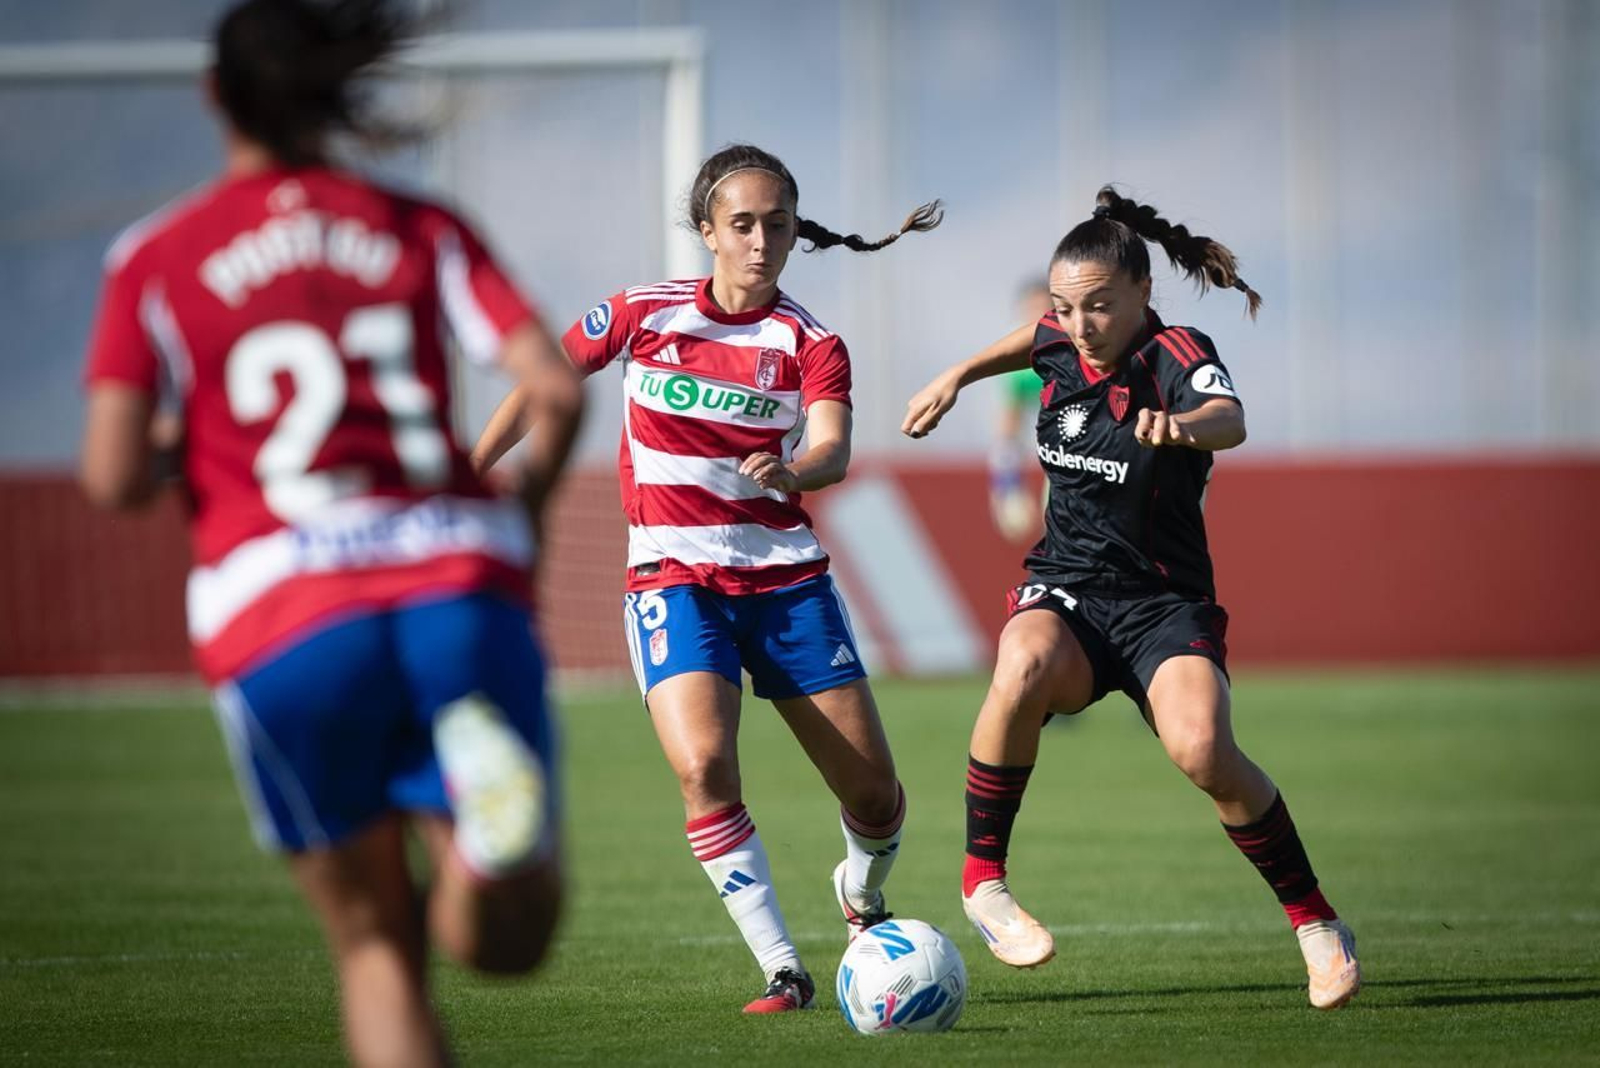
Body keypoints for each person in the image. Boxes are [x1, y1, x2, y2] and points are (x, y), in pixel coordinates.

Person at [78, 2, 584, 1064]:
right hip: (453, 578)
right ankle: (485, 850)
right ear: (336, 90)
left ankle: (481, 844)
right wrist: (523, 531)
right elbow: (553, 389)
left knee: (375, 947)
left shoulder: (155, 256)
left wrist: (191, 438)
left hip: (285, 609)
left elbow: (113, 477)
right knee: (506, 945)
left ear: (215, 96)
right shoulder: (422, 226)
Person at [473, 143, 941, 1014]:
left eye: (778, 225)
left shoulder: (811, 343)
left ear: (796, 233)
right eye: (743, 225)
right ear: (706, 231)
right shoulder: (640, 313)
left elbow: (833, 447)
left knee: (875, 798)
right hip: (672, 580)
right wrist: (473, 472)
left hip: (787, 584)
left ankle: (861, 894)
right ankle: (784, 969)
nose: (761, 242)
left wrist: (796, 471)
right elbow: (544, 385)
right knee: (703, 765)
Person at [901, 187, 1361, 1011]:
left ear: (1143, 292)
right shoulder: (1058, 340)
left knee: (1204, 751)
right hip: (1069, 587)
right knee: (1021, 662)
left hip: (1163, 603)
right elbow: (1032, 339)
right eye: (1065, 307)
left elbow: (1230, 417)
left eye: (1100, 306)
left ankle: (1316, 922)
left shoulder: (1177, 351)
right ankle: (983, 882)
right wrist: (958, 376)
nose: (1080, 325)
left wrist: (1184, 428)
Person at [988, 279, 1052, 542]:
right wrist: (1007, 485)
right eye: (1030, 310)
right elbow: (1008, 430)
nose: (1036, 319)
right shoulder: (1018, 366)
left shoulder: (1079, 350)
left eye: (1044, 310)